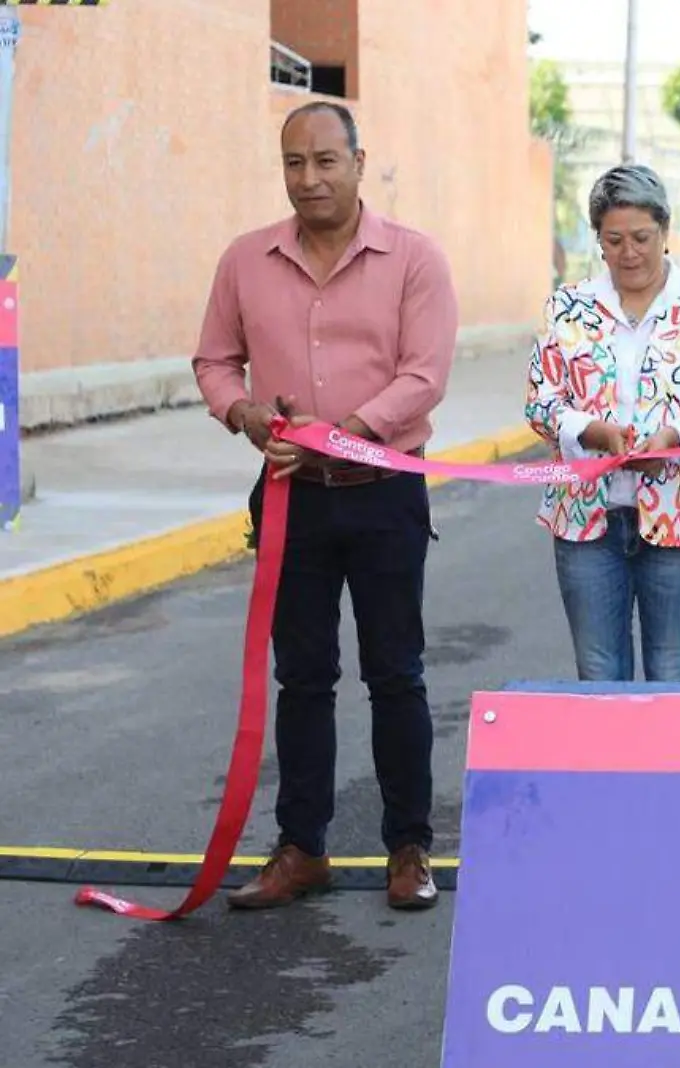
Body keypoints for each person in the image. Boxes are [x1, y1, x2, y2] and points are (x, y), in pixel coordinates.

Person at [191, 101, 458, 912]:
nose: (310, 179)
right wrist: (247, 417)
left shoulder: (414, 258)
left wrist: (337, 436)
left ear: (358, 161)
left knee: (396, 675)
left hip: (384, 496)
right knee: (302, 679)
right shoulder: (245, 260)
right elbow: (214, 361)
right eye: (294, 164)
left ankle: (408, 849)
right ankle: (302, 848)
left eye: (325, 162)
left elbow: (423, 376)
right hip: (289, 503)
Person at [525, 164, 680, 682]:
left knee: (672, 676)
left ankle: (669, 767)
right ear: (598, 241)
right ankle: (606, 767)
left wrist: (673, 439)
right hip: (586, 522)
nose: (629, 253)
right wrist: (592, 432)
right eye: (614, 240)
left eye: (642, 238)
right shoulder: (568, 307)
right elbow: (541, 400)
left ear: (665, 233)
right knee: (599, 675)